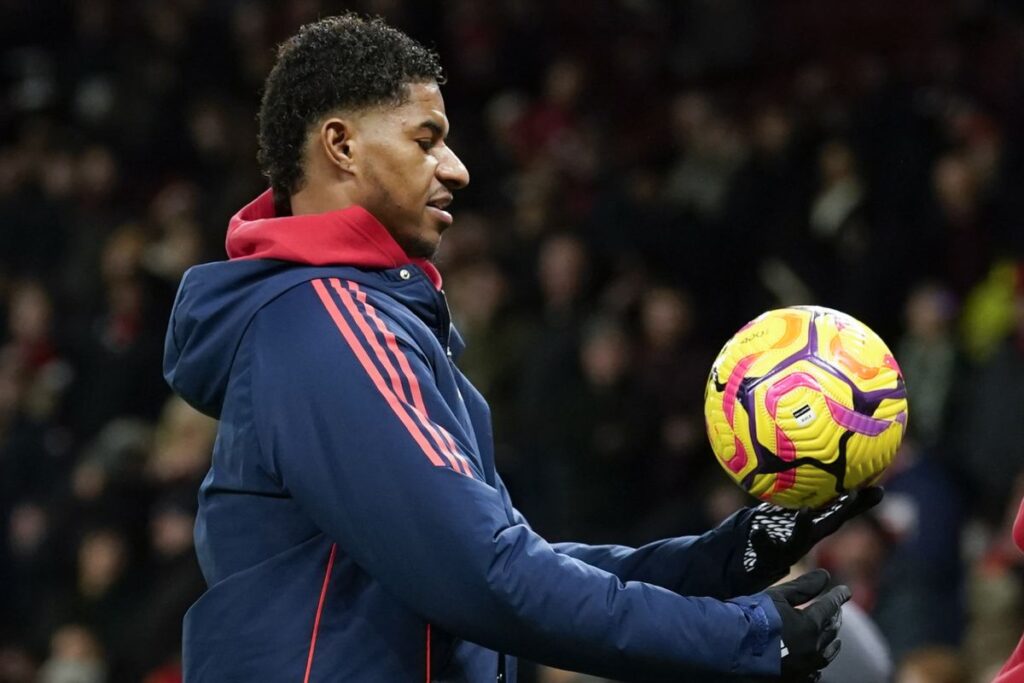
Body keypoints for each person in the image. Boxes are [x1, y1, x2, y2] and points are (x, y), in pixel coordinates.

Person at [163, 13, 881, 682]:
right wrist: (745, 636)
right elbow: (486, 575)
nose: (456, 168)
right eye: (426, 138)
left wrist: (727, 559)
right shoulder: (328, 326)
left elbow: (515, 564)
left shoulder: (347, 321)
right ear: (342, 145)